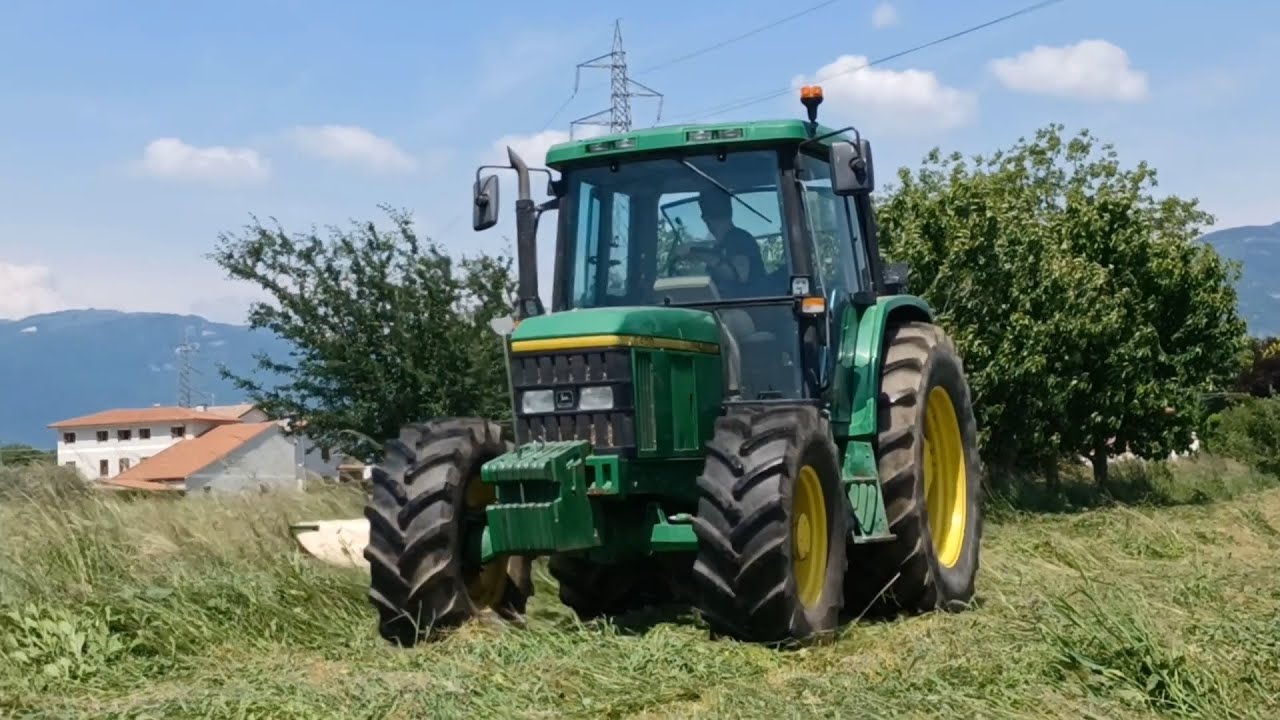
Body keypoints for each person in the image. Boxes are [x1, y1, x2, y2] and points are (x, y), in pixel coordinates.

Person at [676, 190, 771, 298]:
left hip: (748, 308)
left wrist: (698, 253)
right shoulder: (722, 245)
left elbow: (739, 275)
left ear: (704, 218)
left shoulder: (739, 238)